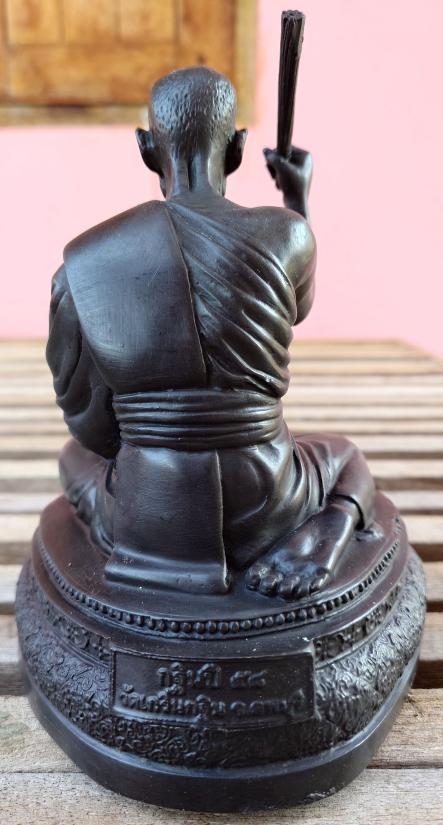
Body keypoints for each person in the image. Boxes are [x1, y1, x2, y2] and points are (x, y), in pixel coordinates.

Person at [47, 67, 375, 600]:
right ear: (239, 148)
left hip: (152, 509)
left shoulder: (84, 263)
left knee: (72, 458)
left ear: (145, 148)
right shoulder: (289, 234)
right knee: (344, 454)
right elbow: (298, 306)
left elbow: (90, 425)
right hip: (269, 497)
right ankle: (331, 527)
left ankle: (148, 546)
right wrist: (297, 199)